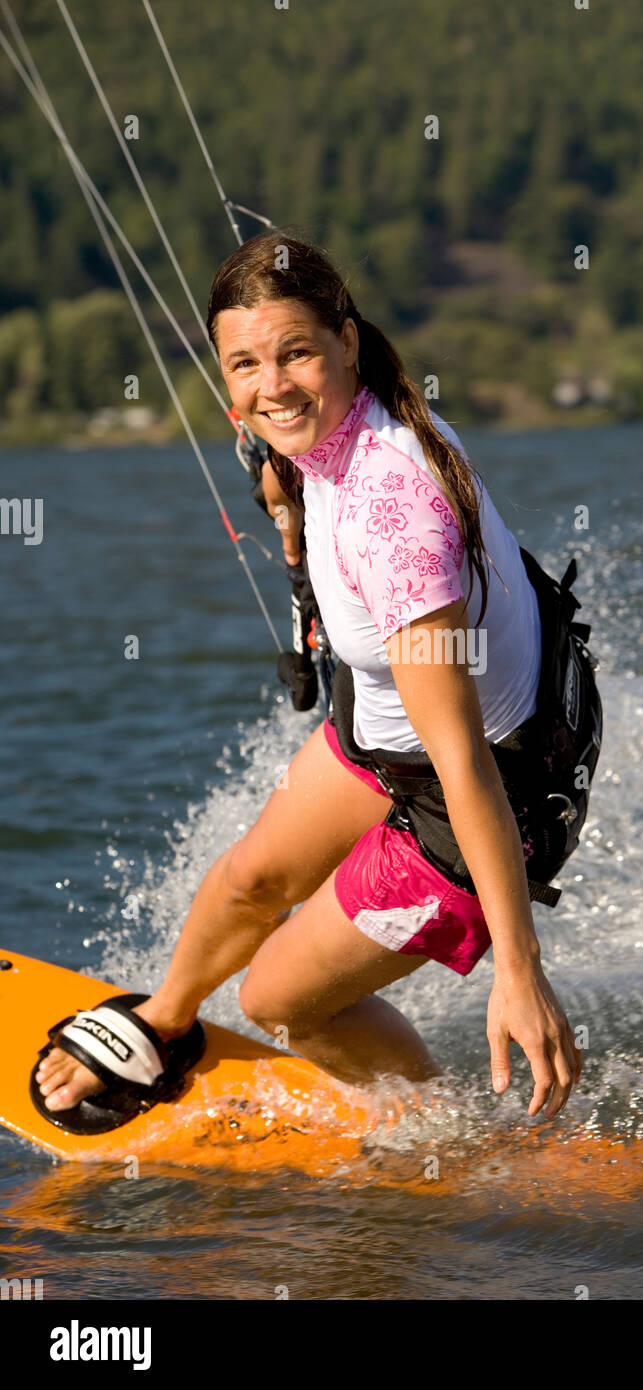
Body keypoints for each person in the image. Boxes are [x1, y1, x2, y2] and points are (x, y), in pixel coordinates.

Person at [35, 233, 583, 1123]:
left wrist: (520, 970)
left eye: (296, 354)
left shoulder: (396, 518)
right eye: (243, 364)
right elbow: (280, 434)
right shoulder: (319, 425)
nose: (271, 385)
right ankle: (163, 1022)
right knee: (249, 880)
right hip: (389, 734)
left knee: (278, 1001)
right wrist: (286, 507)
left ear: (348, 343)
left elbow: (463, 761)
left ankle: (443, 1138)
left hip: (490, 786)